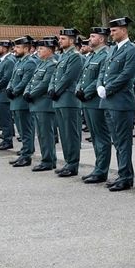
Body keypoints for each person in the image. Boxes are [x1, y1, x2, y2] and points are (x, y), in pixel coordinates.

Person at [98, 17, 135, 191]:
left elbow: (126, 75)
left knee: (123, 142)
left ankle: (125, 177)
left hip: (121, 102)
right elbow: (103, 70)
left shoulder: (131, 50)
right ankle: (124, 174)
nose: (112, 33)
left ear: (123, 30)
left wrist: (107, 88)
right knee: (116, 141)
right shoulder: (113, 50)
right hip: (109, 102)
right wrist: (99, 85)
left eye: (115, 30)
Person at [49, 28, 85, 178]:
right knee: (63, 133)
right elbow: (55, 75)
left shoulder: (75, 57)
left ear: (71, 40)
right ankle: (68, 161)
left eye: (63, 39)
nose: (60, 41)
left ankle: (73, 164)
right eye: (60, 38)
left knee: (71, 133)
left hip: (69, 99)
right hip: (59, 99)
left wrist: (56, 90)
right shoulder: (62, 56)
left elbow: (69, 77)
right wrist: (51, 88)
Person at [80, 28, 112, 184]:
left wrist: (86, 91)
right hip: (87, 100)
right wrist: (79, 89)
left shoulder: (105, 55)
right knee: (94, 137)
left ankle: (101, 170)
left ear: (101, 39)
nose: (89, 39)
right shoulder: (91, 55)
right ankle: (97, 167)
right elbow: (83, 75)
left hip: (95, 101)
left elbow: (101, 78)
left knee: (101, 136)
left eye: (92, 36)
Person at [24, 37, 59, 170]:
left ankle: (49, 160)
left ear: (50, 50)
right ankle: (46, 158)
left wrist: (31, 93)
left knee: (46, 134)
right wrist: (27, 91)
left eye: (41, 48)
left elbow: (44, 84)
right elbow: (33, 80)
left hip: (44, 103)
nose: (38, 51)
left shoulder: (52, 64)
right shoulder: (41, 63)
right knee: (41, 133)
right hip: (37, 103)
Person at [7, 37, 40, 167]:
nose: (15, 49)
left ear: (26, 49)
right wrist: (9, 88)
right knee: (21, 129)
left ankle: (27, 155)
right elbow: (13, 78)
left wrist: (14, 91)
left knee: (26, 129)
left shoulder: (30, 63)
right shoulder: (19, 62)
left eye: (18, 47)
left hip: (22, 100)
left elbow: (26, 81)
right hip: (15, 100)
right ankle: (24, 152)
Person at [0, 40, 17, 151]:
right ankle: (5, 139)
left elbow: (6, 77)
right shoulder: (3, 60)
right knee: (2, 119)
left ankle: (8, 140)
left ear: (5, 49)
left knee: (6, 119)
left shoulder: (9, 61)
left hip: (3, 94)